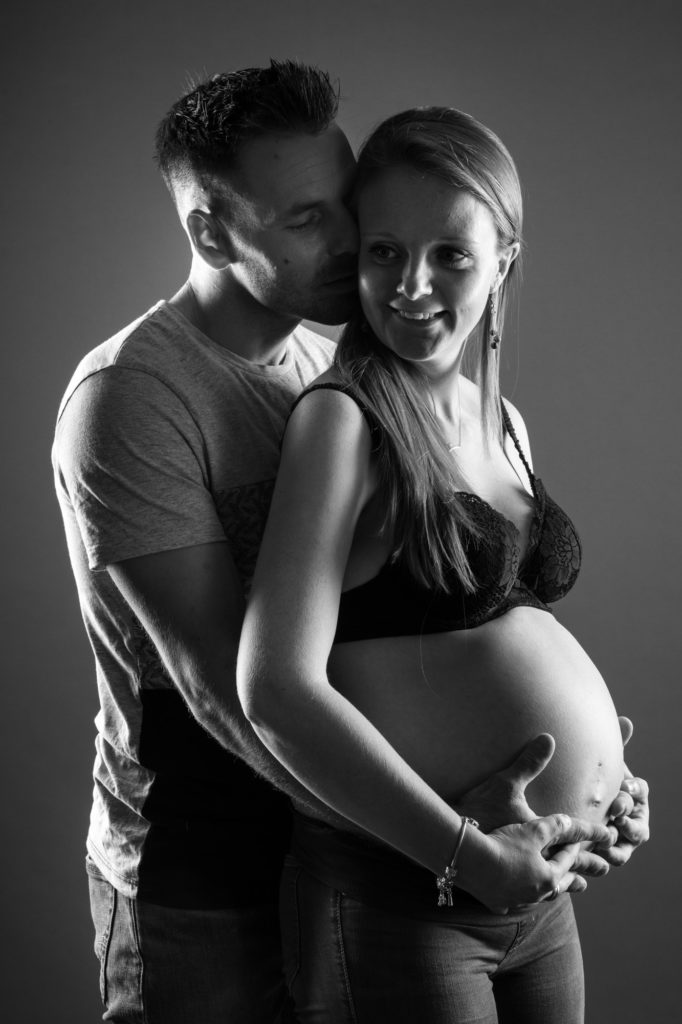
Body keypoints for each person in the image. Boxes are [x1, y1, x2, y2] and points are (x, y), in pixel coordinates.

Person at [237, 106, 650, 1022]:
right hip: (405, 900)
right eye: (384, 251)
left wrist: (607, 785)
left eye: (450, 256)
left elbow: (497, 635)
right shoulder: (342, 423)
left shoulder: (502, 418)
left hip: (539, 893)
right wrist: (467, 851)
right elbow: (276, 690)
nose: (410, 285)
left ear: (504, 258)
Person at [51, 60, 359, 1024]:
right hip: (200, 876)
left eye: (346, 203)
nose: (351, 240)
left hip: (332, 850)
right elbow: (223, 691)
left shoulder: (327, 363)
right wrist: (438, 839)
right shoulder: (132, 398)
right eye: (308, 219)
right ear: (209, 231)